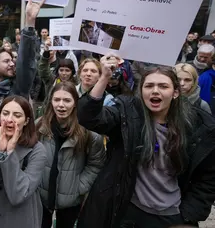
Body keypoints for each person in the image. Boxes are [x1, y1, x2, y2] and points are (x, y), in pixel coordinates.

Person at [77, 54, 215, 228]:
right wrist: (104, 76)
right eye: (149, 86)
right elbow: (88, 118)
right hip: (129, 212)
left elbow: (207, 177)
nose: (155, 91)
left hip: (172, 216)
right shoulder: (127, 113)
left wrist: (188, 215)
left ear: (175, 93)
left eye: (163, 86)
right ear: (141, 92)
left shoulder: (197, 126)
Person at [0, 96, 46, 228]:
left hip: (19, 218)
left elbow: (19, 194)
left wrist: (10, 153)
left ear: (27, 121)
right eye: (5, 114)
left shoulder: (37, 151)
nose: (9, 119)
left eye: (17, 115)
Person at [37, 82, 105, 228]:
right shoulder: (39, 126)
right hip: (42, 196)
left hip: (70, 201)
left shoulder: (88, 132)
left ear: (75, 103)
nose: (61, 105)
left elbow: (96, 163)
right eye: (57, 100)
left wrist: (79, 187)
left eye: (67, 100)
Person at [0, 0, 45, 119]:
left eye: (12, 60)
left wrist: (30, 22)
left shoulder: (19, 86)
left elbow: (25, 60)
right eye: (6, 61)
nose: (12, 64)